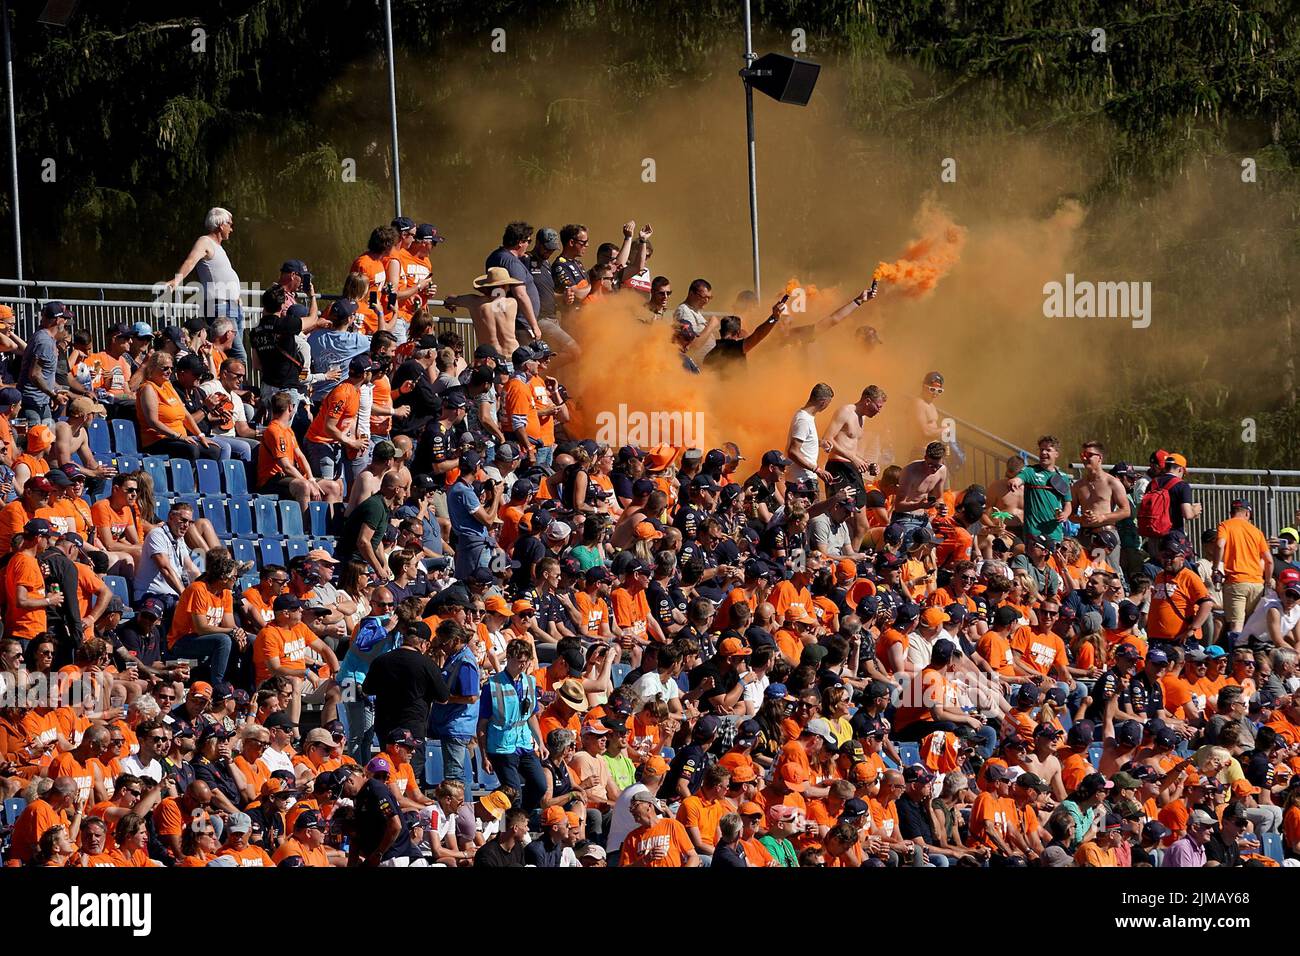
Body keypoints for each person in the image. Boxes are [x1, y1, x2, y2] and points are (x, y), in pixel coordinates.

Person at [163, 206, 247, 363]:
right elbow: (190, 260)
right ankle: (235, 386)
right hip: (220, 306)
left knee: (232, 354)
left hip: (232, 306)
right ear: (221, 224)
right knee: (239, 355)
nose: (231, 228)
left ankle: (230, 385)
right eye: (229, 223)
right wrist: (176, 280)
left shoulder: (219, 248)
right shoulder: (205, 241)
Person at [362, 621, 450, 745]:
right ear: (424, 644)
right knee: (411, 763)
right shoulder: (427, 664)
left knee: (387, 763)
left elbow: (367, 690)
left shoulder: (381, 660)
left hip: (385, 725)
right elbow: (443, 698)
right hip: (412, 726)